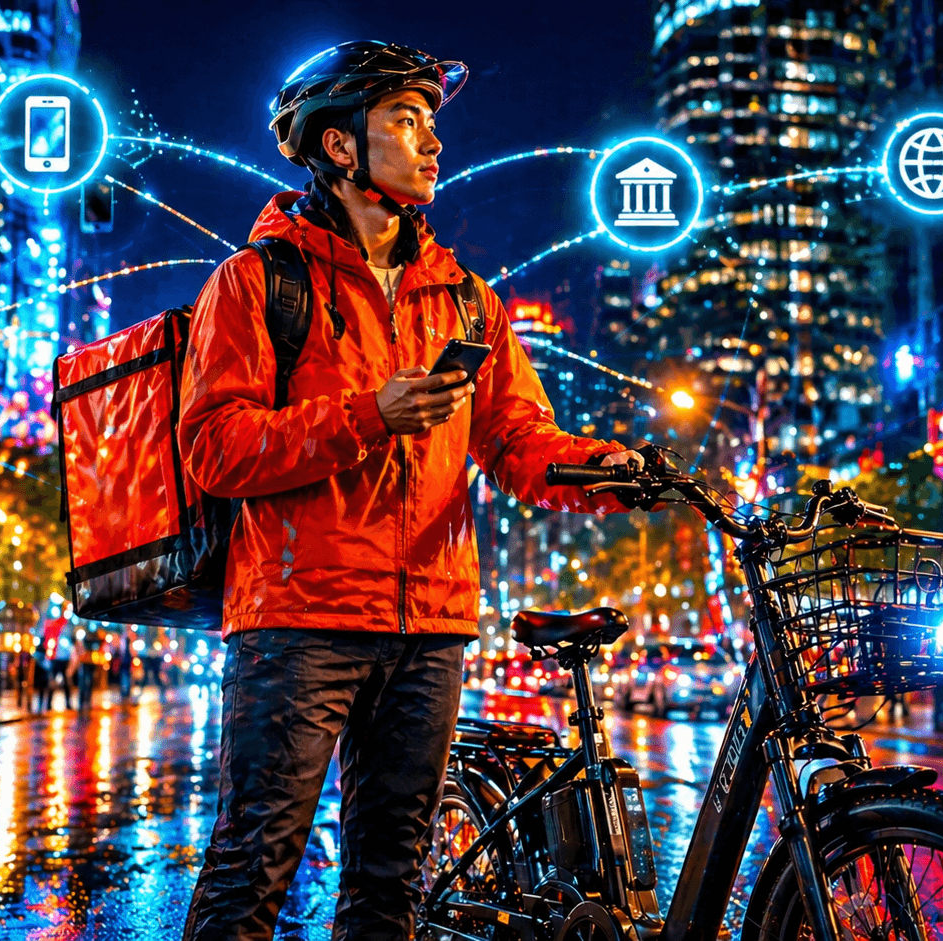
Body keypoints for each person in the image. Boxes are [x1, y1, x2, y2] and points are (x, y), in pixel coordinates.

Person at [175, 41, 644, 940]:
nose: (433, 143)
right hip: (298, 622)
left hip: (430, 626)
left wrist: (604, 473)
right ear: (340, 145)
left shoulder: (467, 299)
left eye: (432, 122)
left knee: (393, 887)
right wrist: (366, 415)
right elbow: (213, 448)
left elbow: (516, 441)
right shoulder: (257, 282)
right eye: (405, 119)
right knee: (252, 874)